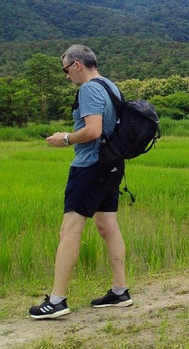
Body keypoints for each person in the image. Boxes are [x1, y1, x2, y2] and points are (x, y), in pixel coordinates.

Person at [29, 45, 133, 319]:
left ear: (77, 65)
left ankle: (57, 300)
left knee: (70, 229)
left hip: (89, 168)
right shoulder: (110, 85)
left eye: (66, 70)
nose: (66, 76)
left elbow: (93, 130)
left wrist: (65, 138)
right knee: (107, 225)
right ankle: (120, 291)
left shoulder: (88, 89)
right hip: (112, 165)